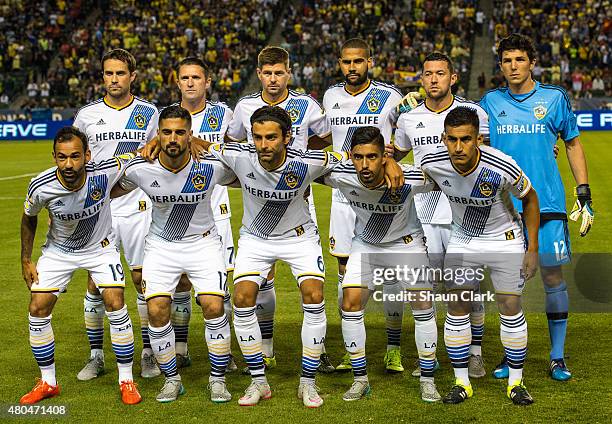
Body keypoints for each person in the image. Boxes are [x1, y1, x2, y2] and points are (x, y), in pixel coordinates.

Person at [202, 106, 403, 407]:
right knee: (242, 298)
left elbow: (351, 160)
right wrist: (192, 142)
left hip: (299, 238)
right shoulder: (239, 155)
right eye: (257, 137)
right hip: (255, 239)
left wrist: (388, 162)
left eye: (271, 137)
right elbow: (201, 147)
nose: (263, 145)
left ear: (288, 137)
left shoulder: (310, 160)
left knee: (313, 295)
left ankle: (308, 383)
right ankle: (259, 382)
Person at [480, 34, 593, 381]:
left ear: (531, 62)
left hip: (548, 203)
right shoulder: (489, 102)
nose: (513, 66)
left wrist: (583, 188)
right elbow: (478, 145)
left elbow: (572, 144)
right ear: (500, 66)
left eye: (519, 59)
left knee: (552, 275)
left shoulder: (554, 98)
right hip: (503, 206)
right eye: (507, 60)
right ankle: (509, 353)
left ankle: (557, 357)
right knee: (506, 283)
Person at [112, 106, 237, 403]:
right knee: (155, 310)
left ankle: (217, 381)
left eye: (180, 132)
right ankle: (172, 379)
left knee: (213, 306)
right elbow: (106, 185)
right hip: (161, 245)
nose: (173, 138)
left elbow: (247, 165)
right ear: (157, 135)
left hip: (203, 243)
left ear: (190, 135)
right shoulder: (141, 167)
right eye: (166, 132)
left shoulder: (210, 165)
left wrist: (208, 146)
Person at [420, 106, 539, 405]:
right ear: (443, 138)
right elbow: (411, 182)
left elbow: (530, 198)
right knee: (456, 308)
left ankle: (516, 383)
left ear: (478, 139)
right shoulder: (432, 163)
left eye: (466, 139)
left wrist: (532, 248)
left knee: (510, 306)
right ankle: (462, 383)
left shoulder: (502, 165)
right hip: (462, 239)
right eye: (452, 139)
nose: (458, 147)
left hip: (505, 239)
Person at [225, 46, 334, 373]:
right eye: (267, 73)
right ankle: (267, 347)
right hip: (259, 199)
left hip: (296, 192)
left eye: (279, 73)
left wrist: (298, 158)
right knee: (264, 278)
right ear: (259, 74)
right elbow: (232, 143)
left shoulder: (306, 105)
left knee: (311, 286)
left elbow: (327, 138)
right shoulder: (244, 106)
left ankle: (320, 350)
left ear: (289, 73)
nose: (273, 79)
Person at [317, 126, 441, 402]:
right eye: (358, 157)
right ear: (350, 156)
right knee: (349, 303)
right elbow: (304, 164)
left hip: (406, 244)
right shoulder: (341, 174)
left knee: (422, 304)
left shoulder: (408, 176)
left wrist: (396, 161)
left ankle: (428, 380)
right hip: (365, 244)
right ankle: (360, 380)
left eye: (372, 157)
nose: (364, 165)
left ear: (383, 156)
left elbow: (445, 174)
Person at [20, 127, 141, 405]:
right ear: (54, 157)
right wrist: (26, 259)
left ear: (87, 155)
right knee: (37, 307)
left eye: (75, 156)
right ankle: (48, 382)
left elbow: (136, 156)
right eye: (62, 157)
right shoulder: (40, 186)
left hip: (100, 249)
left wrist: (156, 142)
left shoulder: (104, 172)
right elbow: (29, 218)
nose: (69, 164)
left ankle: (127, 380)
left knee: (115, 300)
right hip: (58, 251)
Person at [392, 52, 490, 379]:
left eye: (440, 73)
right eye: (428, 74)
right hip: (422, 212)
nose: (434, 79)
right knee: (426, 287)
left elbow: (487, 156)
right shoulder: (408, 118)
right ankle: (430, 356)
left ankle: (474, 353)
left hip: (464, 213)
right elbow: (397, 154)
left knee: (466, 287)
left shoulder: (473, 113)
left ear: (453, 78)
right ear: (421, 80)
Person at [73, 48, 161, 380]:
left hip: (139, 207)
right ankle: (96, 356)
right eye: (108, 73)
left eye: (120, 73)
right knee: (96, 282)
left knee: (142, 280)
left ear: (132, 76)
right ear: (102, 77)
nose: (114, 79)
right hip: (99, 209)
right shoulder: (86, 114)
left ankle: (149, 353)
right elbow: (77, 159)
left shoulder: (148, 112)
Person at [322, 38, 406, 373]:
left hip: (381, 198)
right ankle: (351, 349)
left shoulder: (391, 96)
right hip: (344, 196)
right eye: (346, 62)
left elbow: (404, 140)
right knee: (346, 276)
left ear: (369, 61)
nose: (352, 67)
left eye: (358, 61)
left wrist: (393, 162)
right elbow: (322, 139)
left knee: (391, 276)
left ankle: (394, 348)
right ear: (339, 62)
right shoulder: (330, 97)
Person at [163, 56, 237, 370]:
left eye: (196, 78)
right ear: (177, 82)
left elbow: (238, 151)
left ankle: (225, 352)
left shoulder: (224, 114)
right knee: (180, 283)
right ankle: (180, 349)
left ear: (207, 82)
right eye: (185, 78)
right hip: (177, 212)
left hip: (216, 212)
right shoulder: (167, 118)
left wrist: (205, 146)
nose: (191, 83)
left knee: (219, 287)